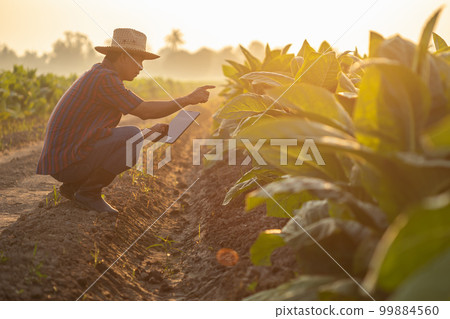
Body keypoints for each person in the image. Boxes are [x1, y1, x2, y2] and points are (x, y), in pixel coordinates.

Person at [36, 28, 214, 215]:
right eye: (139, 60)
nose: (141, 67)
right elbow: (143, 111)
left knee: (133, 136)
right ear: (123, 57)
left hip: (68, 158)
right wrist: (187, 99)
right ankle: (89, 193)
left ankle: (75, 187)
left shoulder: (102, 74)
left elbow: (101, 132)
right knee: (131, 135)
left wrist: (148, 134)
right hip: (68, 162)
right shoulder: (105, 78)